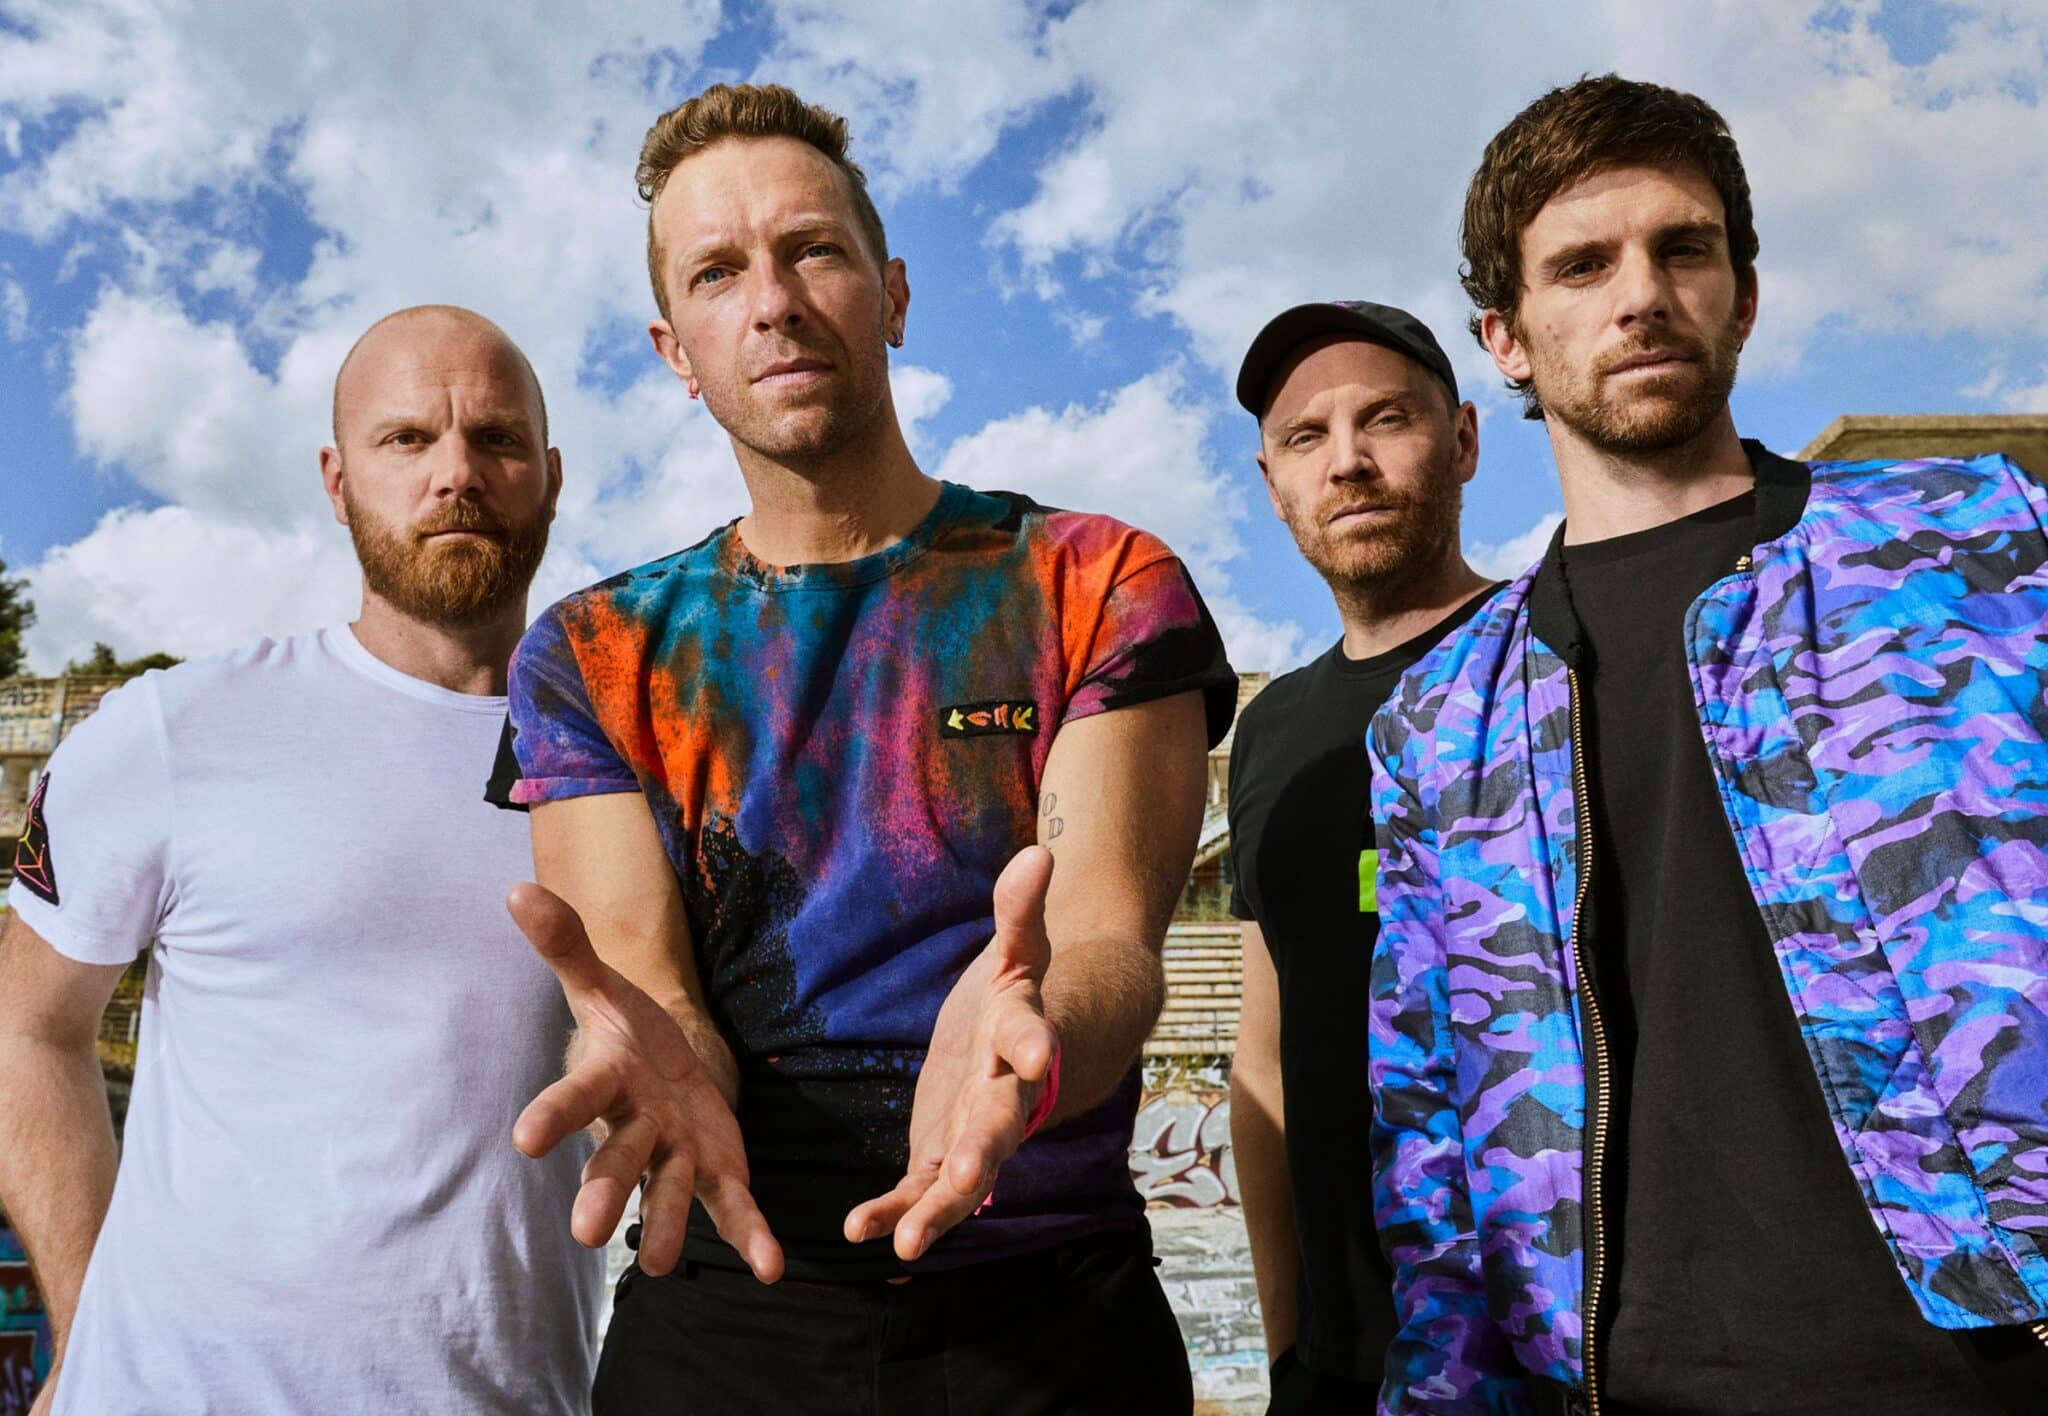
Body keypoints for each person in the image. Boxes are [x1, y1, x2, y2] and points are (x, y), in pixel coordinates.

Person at [486, 83, 1237, 1415]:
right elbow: (650, 979)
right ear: (675, 350)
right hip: (730, 1305)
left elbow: (1106, 941)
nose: (772, 302)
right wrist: (651, 1057)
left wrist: (1032, 1037)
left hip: (1052, 1313)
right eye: (717, 273)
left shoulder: (1097, 583)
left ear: (891, 294)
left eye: (812, 249)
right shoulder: (594, 652)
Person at [1366, 74, 2048, 1413]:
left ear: (1741, 296)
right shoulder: (1440, 717)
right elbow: (1427, 1137)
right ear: (1505, 339)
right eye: (1582, 265)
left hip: (1989, 1363)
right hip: (1630, 1383)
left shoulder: (1971, 545)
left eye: (1682, 248)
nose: (1641, 294)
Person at [0, 306, 603, 1415]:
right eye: (407, 438)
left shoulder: (621, 774)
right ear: (337, 481)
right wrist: (87, 1333)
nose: (456, 474)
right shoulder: (171, 732)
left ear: (550, 477)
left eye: (497, 439)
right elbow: (26, 1026)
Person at [1223, 301, 1495, 1414]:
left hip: (1561, 1357)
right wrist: (1289, 1344)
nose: (1347, 462)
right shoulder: (1271, 732)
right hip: (1341, 1367)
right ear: (1272, 481)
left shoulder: (1560, 658)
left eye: (1385, 419)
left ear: (1463, 440)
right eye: (1307, 436)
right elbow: (1262, 1058)